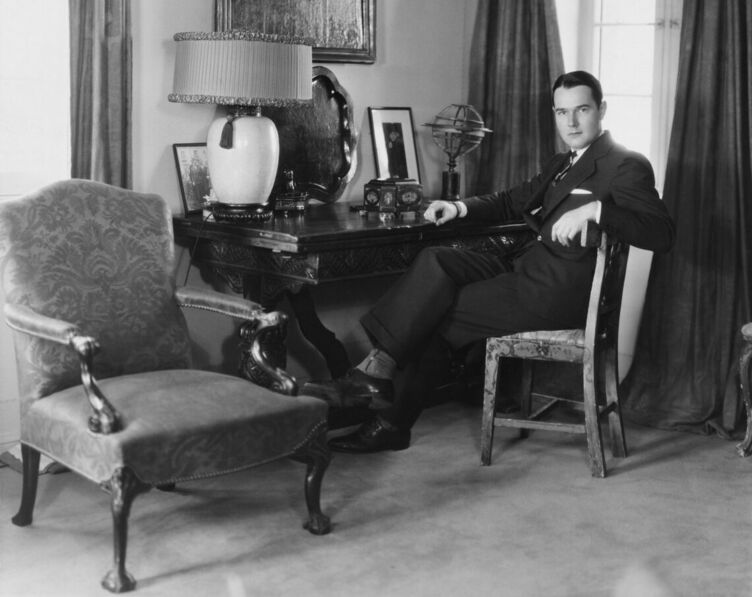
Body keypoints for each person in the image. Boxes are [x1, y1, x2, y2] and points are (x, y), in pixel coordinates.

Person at [304, 70, 675, 453]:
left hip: (554, 294)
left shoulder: (625, 164)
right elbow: (511, 201)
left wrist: (596, 209)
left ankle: (388, 416)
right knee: (437, 262)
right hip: (526, 270)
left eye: (582, 110)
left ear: (602, 110)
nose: (572, 122)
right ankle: (377, 373)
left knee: (435, 309)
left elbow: (660, 233)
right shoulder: (562, 162)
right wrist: (458, 206)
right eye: (563, 112)